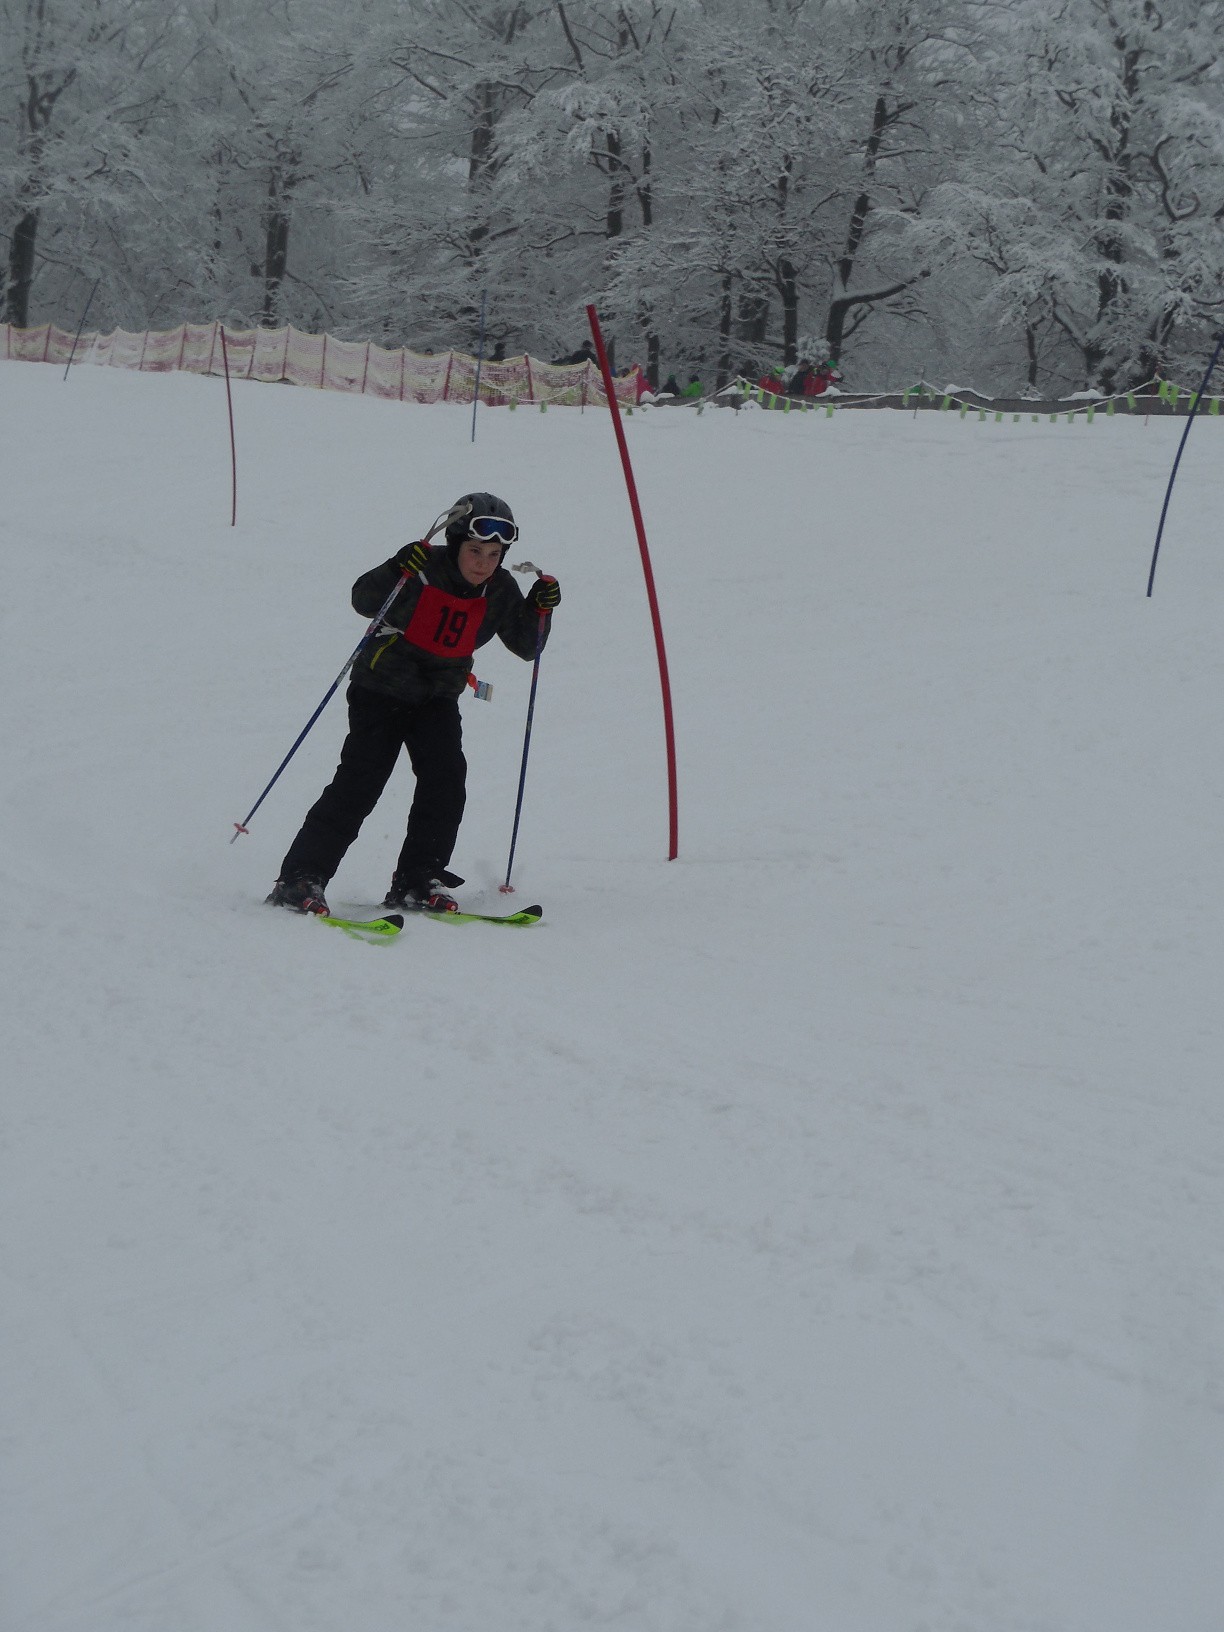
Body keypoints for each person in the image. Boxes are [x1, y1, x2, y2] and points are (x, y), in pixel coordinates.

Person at [267, 493, 561, 918]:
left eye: (494, 555)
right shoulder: (423, 568)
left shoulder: (499, 588)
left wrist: (537, 611)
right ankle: (300, 879)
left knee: (446, 783)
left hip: (438, 697)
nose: (483, 563)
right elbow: (363, 600)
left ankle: (418, 879)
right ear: (456, 544)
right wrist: (395, 568)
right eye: (475, 550)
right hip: (381, 689)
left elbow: (526, 646)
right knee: (361, 782)